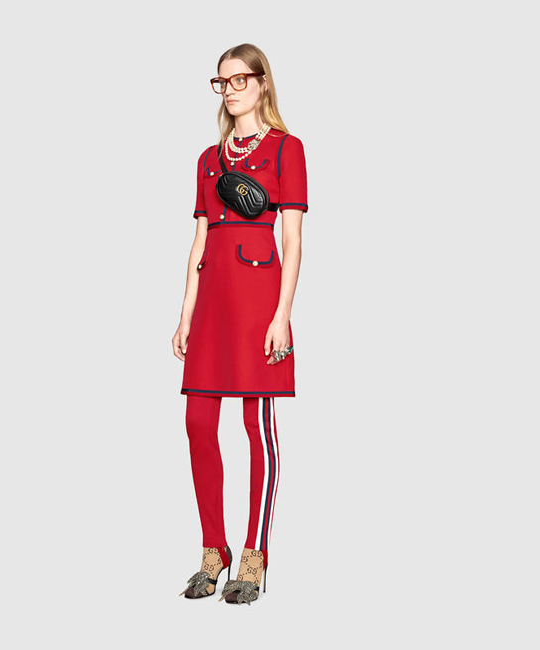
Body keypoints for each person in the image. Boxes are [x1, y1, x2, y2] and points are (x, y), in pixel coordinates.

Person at [172, 43, 308, 605]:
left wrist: (283, 315)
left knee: (257, 428)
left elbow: (292, 239)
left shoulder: (286, 149)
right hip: (212, 307)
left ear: (262, 83)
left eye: (239, 80)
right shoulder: (208, 158)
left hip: (258, 305)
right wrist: (185, 314)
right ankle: (214, 548)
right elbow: (199, 241)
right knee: (198, 424)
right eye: (221, 82)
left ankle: (254, 554)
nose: (229, 90)